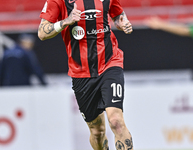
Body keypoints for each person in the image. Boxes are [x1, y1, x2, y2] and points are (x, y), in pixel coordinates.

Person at [38, 0, 133, 149]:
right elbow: (42, 32)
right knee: (97, 131)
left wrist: (123, 23)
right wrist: (66, 21)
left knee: (116, 121)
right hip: (81, 73)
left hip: (110, 62)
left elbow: (118, 14)